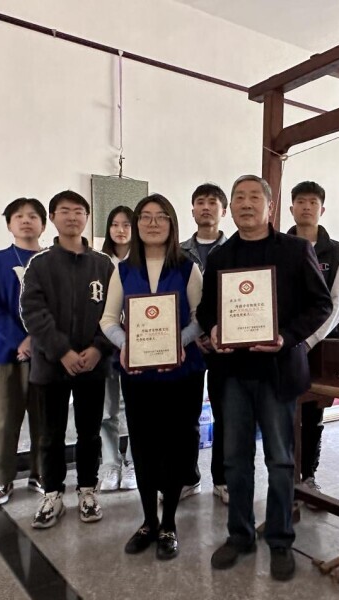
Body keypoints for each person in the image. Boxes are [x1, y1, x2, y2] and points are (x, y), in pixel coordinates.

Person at [197, 175, 332, 581]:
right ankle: (239, 535)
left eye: (254, 196)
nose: (246, 203)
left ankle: (280, 539)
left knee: (279, 459)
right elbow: (206, 309)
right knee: (235, 459)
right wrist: (214, 329)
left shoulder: (296, 250)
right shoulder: (220, 257)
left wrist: (286, 337)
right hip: (233, 374)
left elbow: (321, 304)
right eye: (239, 197)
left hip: (277, 372)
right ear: (231, 208)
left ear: (270, 206)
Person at [100, 193, 206, 560]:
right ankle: (148, 520)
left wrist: (178, 342)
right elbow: (108, 320)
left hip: (182, 372)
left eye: (161, 216)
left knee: (175, 446)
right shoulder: (123, 270)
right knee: (143, 446)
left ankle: (170, 523)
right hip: (138, 373)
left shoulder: (188, 268)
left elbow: (200, 319)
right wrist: (126, 345)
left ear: (172, 223)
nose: (153, 223)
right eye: (145, 216)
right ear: (136, 224)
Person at [20, 190, 114, 528]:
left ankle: (87, 490)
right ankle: (52, 494)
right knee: (50, 435)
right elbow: (32, 311)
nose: (72, 217)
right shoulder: (40, 264)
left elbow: (115, 311)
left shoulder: (103, 264)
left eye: (78, 211)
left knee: (90, 432)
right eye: (64, 211)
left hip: (92, 363)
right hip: (50, 365)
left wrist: (99, 348)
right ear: (53, 218)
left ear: (87, 217)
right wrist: (62, 350)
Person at [0, 197, 47, 507]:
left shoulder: (53, 261)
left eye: (33, 216)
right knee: (3, 419)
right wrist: (20, 340)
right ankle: (0, 478)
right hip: (4, 352)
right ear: (9, 224)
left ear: (43, 224)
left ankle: (41, 473)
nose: (26, 221)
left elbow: (61, 306)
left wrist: (37, 341)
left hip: (47, 353)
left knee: (45, 419)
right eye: (19, 216)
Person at [287, 181, 339, 498]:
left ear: (322, 209)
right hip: (285, 343)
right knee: (284, 410)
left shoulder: (336, 251)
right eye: (301, 201)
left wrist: (308, 340)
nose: (307, 207)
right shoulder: (280, 246)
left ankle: (309, 476)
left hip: (321, 345)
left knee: (313, 412)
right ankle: (286, 476)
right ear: (291, 208)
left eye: (313, 202)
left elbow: (336, 304)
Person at [179, 183, 229, 504]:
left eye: (213, 202)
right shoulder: (177, 252)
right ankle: (188, 477)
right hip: (190, 344)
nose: (206, 207)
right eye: (200, 202)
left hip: (226, 345)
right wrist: (194, 334)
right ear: (193, 210)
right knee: (187, 414)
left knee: (225, 413)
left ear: (223, 210)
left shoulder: (236, 249)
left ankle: (222, 479)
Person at [98, 206, 138, 493]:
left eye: (126, 224)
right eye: (115, 224)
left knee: (136, 408)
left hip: (138, 346)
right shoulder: (99, 263)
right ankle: (111, 464)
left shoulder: (142, 262)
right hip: (104, 346)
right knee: (106, 410)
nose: (120, 230)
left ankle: (134, 463)